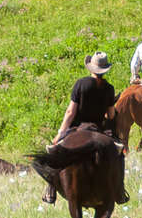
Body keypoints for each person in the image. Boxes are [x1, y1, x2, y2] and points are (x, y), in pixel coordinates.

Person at [42, 52, 118, 204]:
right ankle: (120, 191)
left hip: (77, 127)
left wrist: (60, 133)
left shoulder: (81, 84)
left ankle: (50, 190)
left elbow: (71, 112)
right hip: (98, 128)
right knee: (118, 154)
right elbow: (110, 115)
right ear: (105, 70)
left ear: (91, 68)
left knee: (54, 153)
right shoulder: (109, 88)